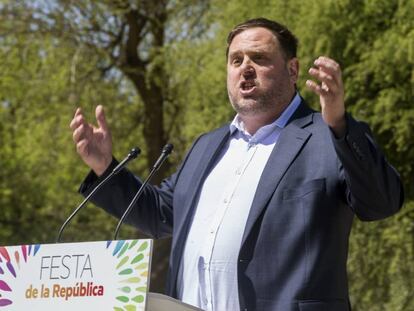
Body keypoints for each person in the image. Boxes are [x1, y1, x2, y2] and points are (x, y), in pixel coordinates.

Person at [70, 18, 404, 311]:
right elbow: (159, 213)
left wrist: (340, 125)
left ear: (292, 70)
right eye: (236, 60)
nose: (245, 68)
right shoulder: (207, 146)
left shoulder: (328, 136)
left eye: (259, 58)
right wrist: (105, 168)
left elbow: (381, 202)